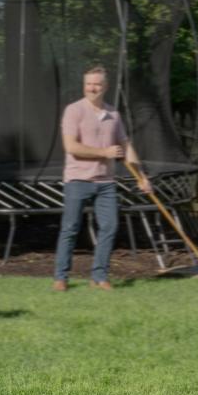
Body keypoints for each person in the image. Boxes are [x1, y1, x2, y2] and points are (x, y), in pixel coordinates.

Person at [53, 65, 151, 292]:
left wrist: (142, 177)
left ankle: (99, 276)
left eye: (97, 84)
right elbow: (71, 146)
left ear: (105, 86)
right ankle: (61, 277)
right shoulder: (74, 110)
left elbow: (126, 147)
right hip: (77, 180)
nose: (92, 88)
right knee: (70, 228)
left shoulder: (113, 114)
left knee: (110, 227)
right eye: (88, 83)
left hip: (106, 183)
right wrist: (104, 153)